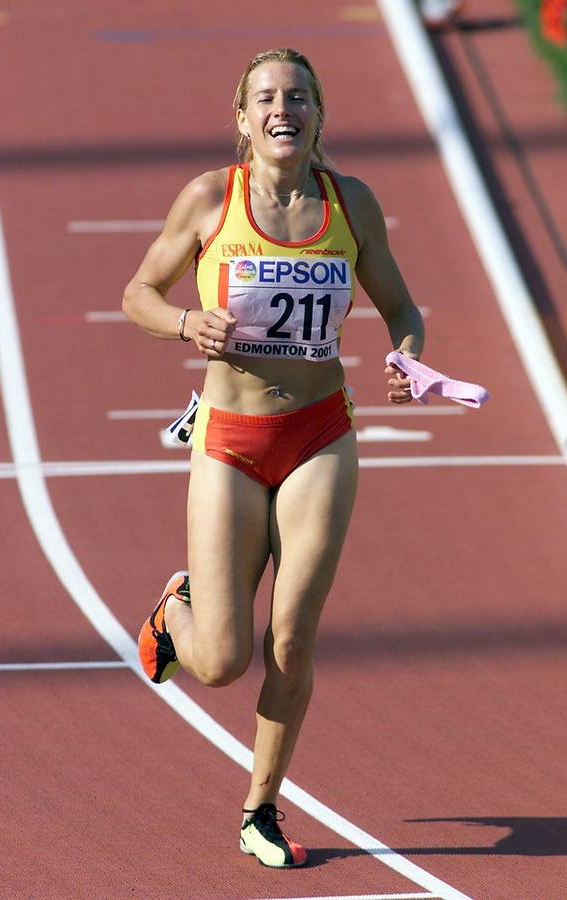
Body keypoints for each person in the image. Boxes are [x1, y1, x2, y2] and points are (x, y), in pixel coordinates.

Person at [122, 47, 424, 868]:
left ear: (319, 114)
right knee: (220, 660)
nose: (282, 108)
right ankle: (175, 609)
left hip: (320, 433)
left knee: (291, 638)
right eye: (266, 97)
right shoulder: (210, 199)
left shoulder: (350, 204)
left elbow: (401, 306)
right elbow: (138, 293)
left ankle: (261, 807)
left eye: (298, 96)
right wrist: (187, 324)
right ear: (244, 117)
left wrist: (407, 355)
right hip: (229, 438)